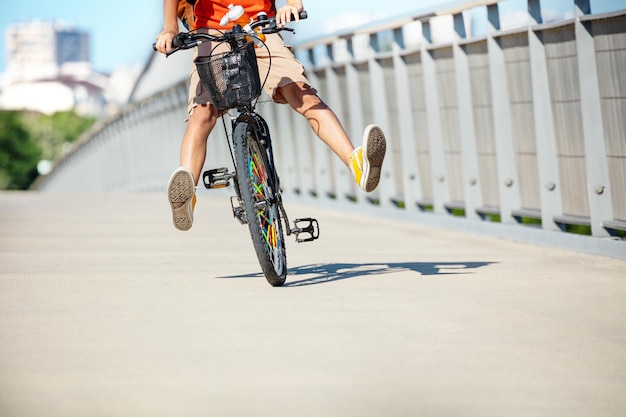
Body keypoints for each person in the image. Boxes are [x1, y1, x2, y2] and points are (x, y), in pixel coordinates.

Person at [155, 0, 387, 231]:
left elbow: (293, 3)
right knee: (202, 111)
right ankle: (186, 195)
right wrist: (170, 28)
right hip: (210, 32)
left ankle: (358, 165)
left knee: (302, 95)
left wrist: (293, 5)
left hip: (259, 27)